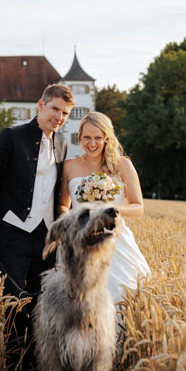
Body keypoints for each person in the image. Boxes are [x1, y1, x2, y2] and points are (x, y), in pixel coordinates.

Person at [0, 83, 74, 371]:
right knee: (15, 310)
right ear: (40, 105)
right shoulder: (11, 136)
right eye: (55, 109)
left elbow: (60, 194)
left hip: (46, 241)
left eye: (65, 113)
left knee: (42, 312)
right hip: (12, 236)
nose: (59, 117)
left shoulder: (62, 144)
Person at [59, 111, 151, 347]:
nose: (92, 143)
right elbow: (63, 203)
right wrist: (69, 222)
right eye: (87, 137)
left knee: (119, 295)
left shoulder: (122, 165)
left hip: (115, 241)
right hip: (82, 241)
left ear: (107, 137)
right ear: (79, 137)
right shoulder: (69, 167)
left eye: (98, 138)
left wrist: (112, 207)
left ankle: (119, 355)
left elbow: (138, 207)